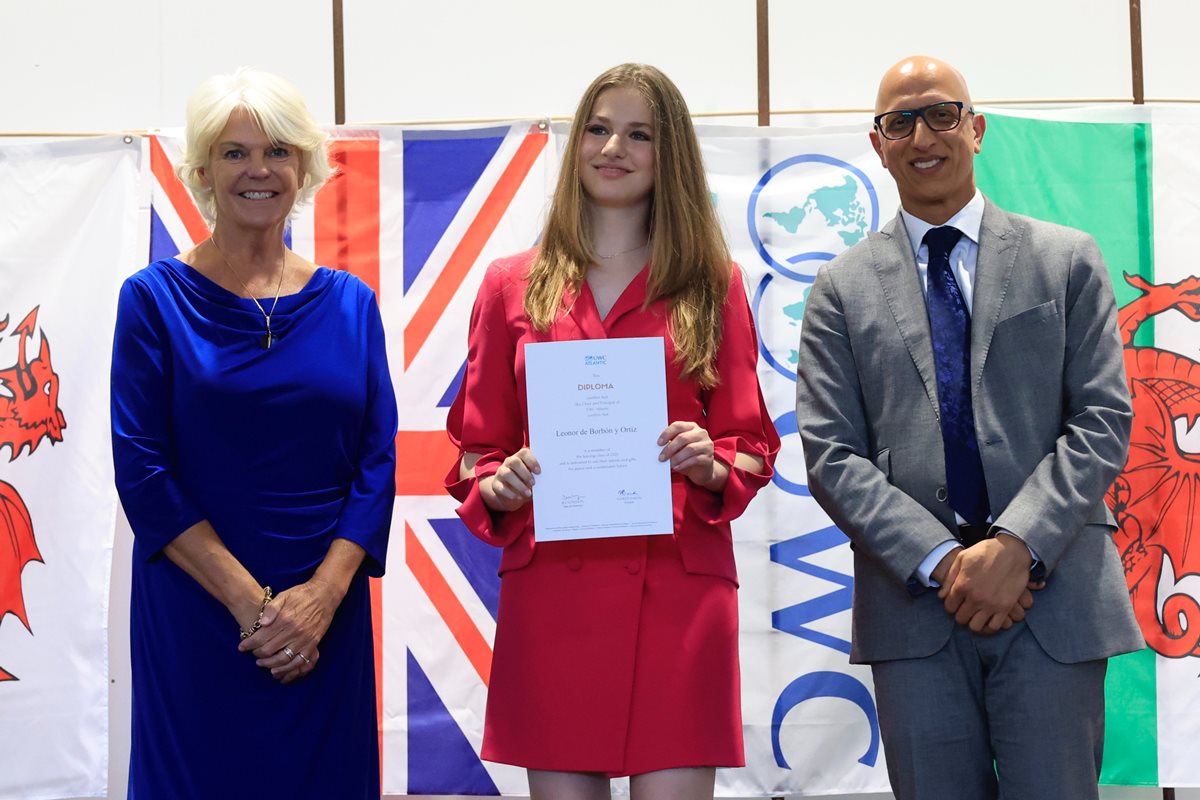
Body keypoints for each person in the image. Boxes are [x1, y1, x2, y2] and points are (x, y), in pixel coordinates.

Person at [795, 55, 1143, 800]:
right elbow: (830, 455)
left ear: (976, 129)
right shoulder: (840, 290)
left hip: (1055, 603)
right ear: (878, 143)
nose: (924, 134)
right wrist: (947, 564)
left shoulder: (1067, 259)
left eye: (942, 114)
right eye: (900, 121)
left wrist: (1016, 548)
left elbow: (1103, 419)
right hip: (914, 611)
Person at [445, 63, 779, 799]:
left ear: (671, 156)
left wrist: (709, 460)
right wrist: (498, 482)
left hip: (679, 594)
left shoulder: (711, 281)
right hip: (555, 602)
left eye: (638, 134)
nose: (612, 148)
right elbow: (475, 450)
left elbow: (752, 445)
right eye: (598, 129)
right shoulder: (509, 283)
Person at [110, 68, 397, 798]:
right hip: (199, 614)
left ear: (304, 164)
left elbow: (376, 462)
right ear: (203, 171)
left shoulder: (352, 304)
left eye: (276, 149)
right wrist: (254, 608)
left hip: (325, 618)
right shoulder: (151, 301)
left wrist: (321, 601)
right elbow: (143, 470)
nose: (258, 169)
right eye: (234, 153)